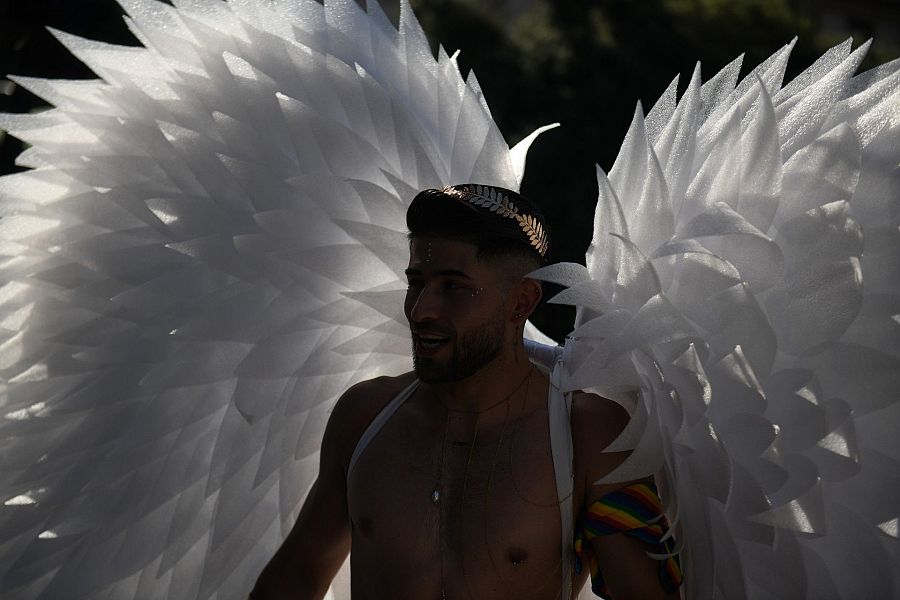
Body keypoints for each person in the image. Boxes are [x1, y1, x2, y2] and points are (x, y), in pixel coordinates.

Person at [250, 184, 682, 600]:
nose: (421, 311)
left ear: (521, 302)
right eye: (416, 282)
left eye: (454, 287)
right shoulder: (363, 416)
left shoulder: (589, 435)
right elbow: (294, 578)